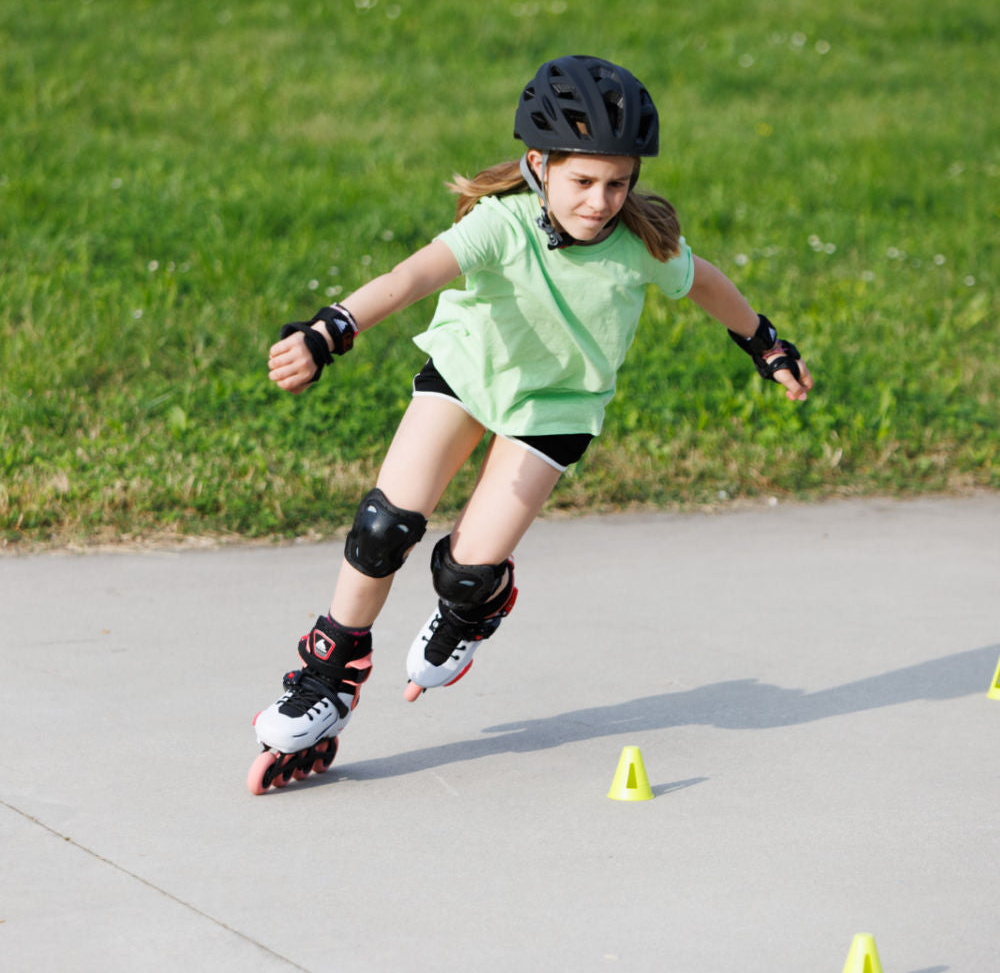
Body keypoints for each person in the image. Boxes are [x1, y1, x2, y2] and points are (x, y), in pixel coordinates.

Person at [247, 55, 813, 792]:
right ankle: (328, 675)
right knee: (383, 528)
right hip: (465, 377)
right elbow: (410, 277)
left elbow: (705, 282)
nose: (602, 200)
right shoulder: (502, 224)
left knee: (467, 569)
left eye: (618, 182)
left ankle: (476, 604)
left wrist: (764, 343)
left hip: (557, 410)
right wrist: (332, 330)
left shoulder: (641, 245)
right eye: (583, 181)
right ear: (538, 164)